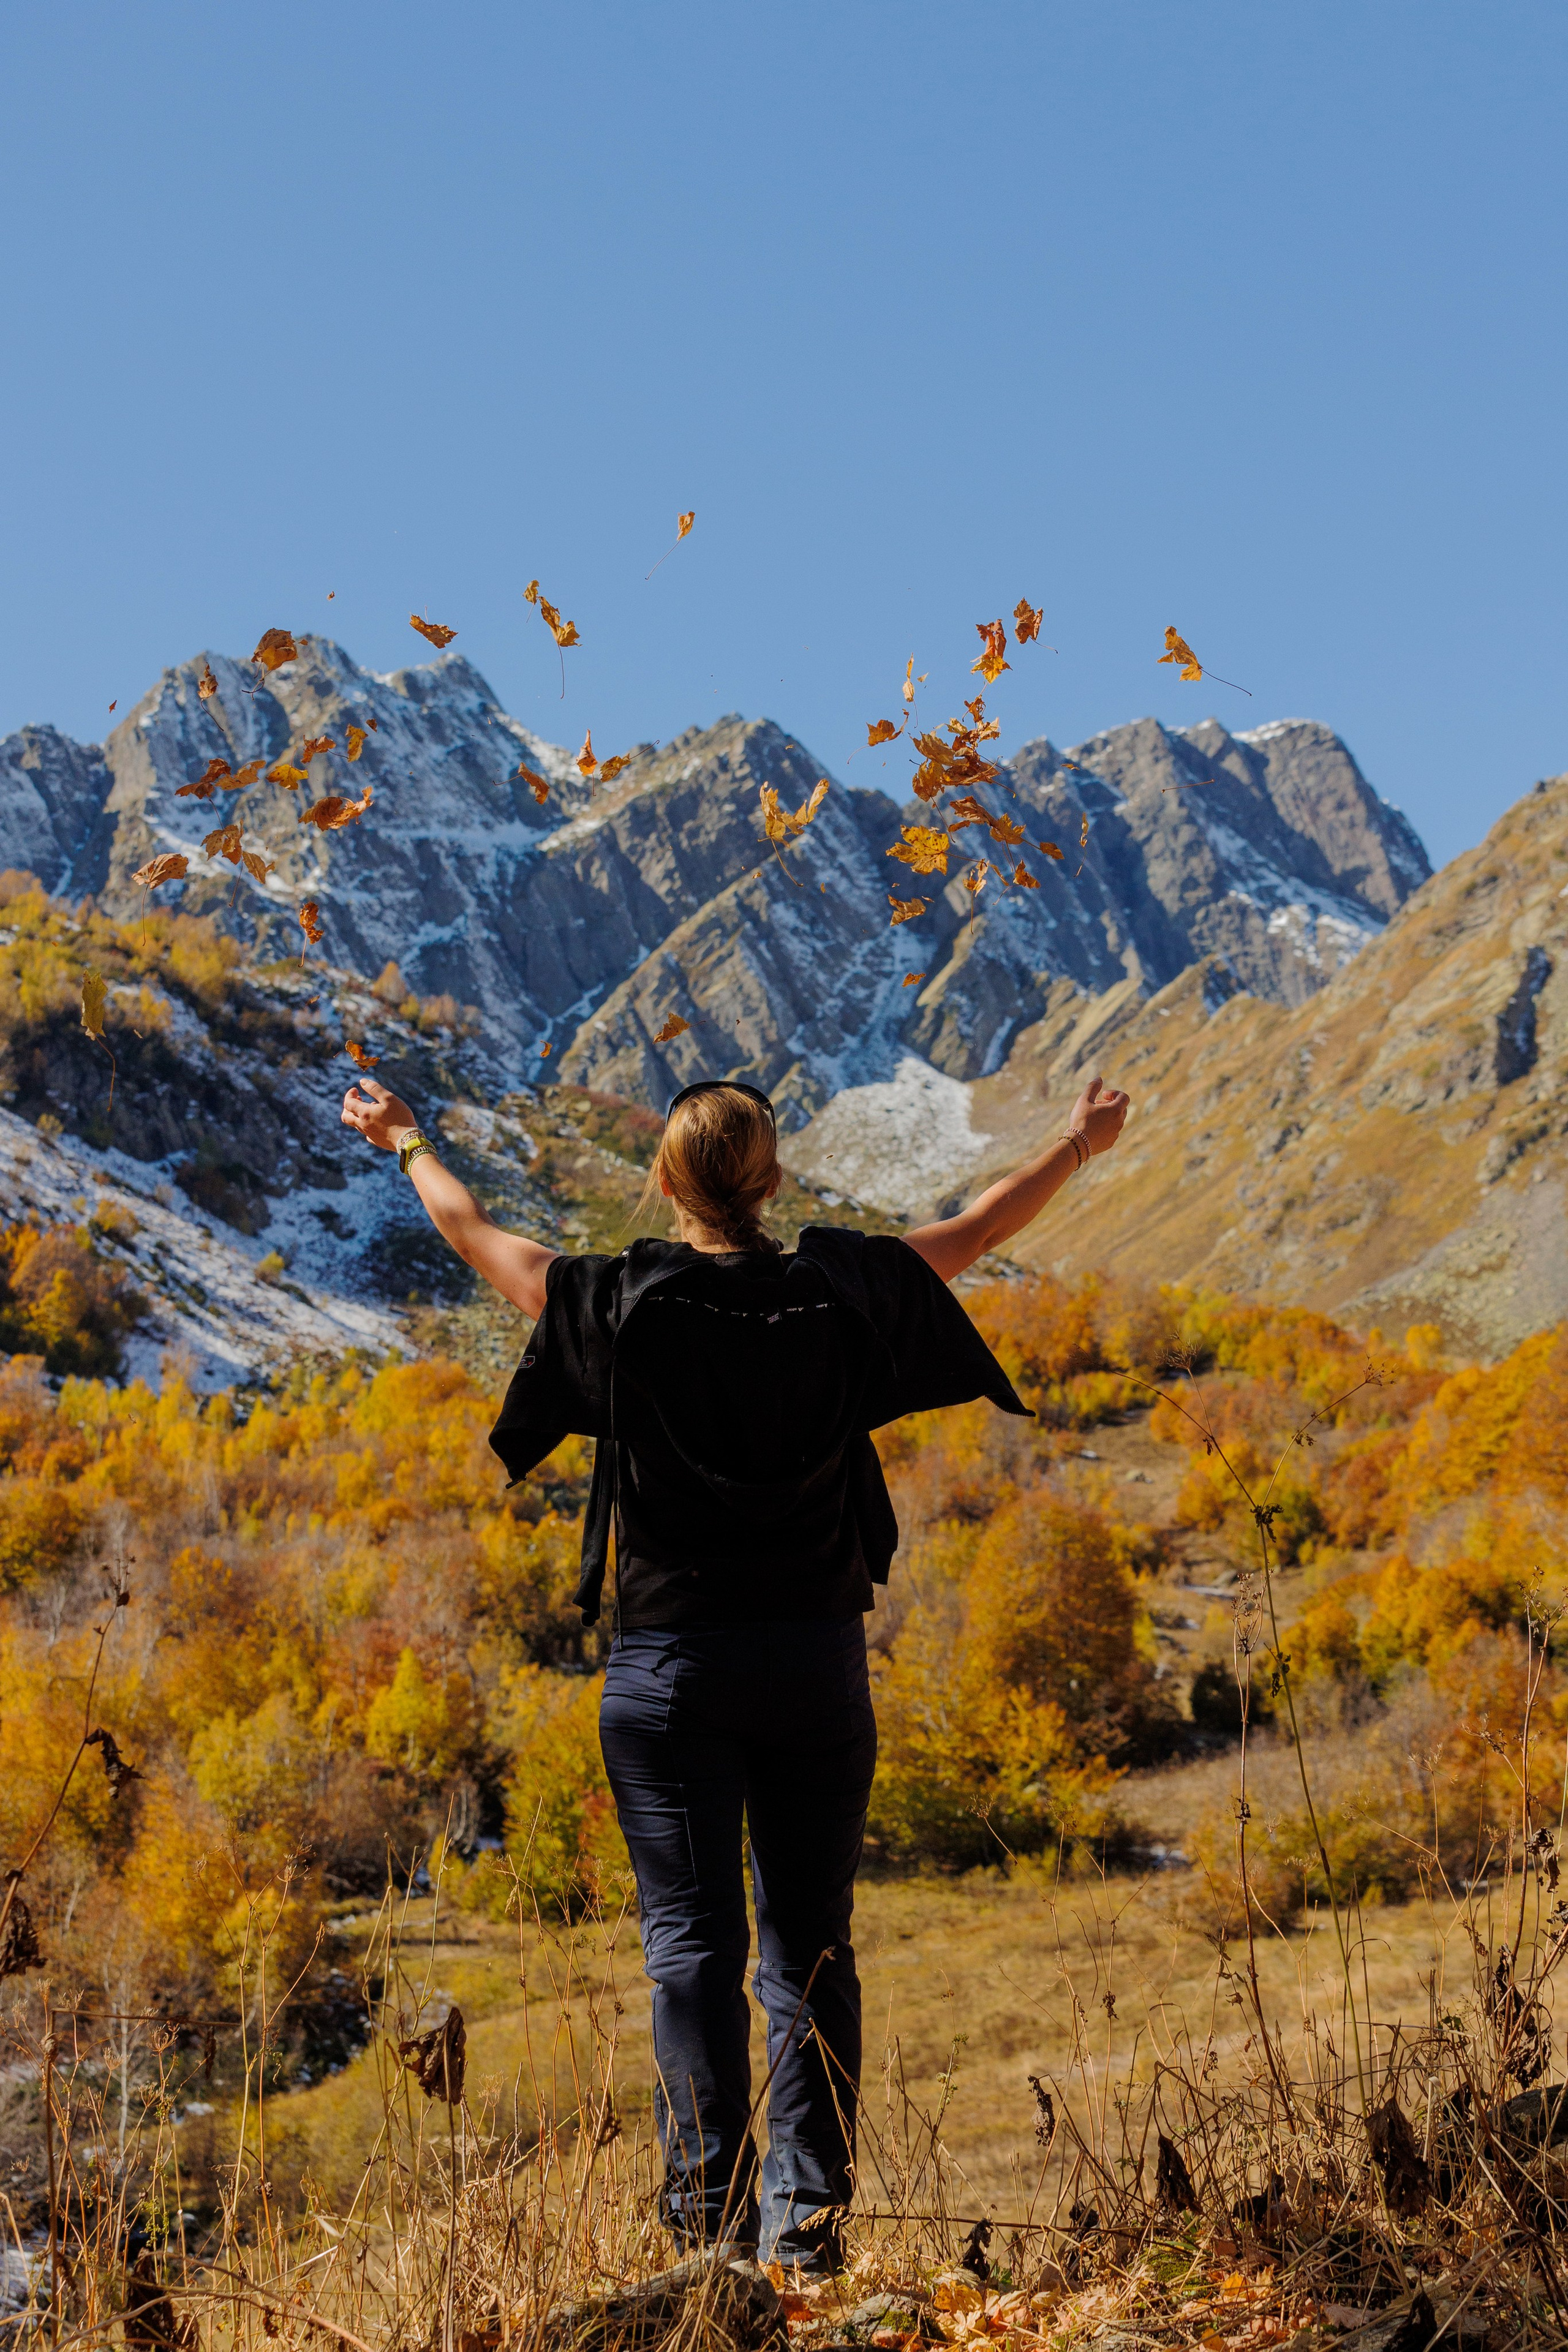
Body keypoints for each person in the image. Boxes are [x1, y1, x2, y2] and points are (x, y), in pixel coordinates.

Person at [341, 1066, 1129, 2266]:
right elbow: (976, 1228)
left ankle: (708, 2232)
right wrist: (1075, 1147)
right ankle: (805, 2231)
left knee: (690, 1950)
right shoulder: (842, 1288)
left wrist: (405, 1142)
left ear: (664, 1183)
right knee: (808, 1947)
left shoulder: (608, 1298)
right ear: (770, 1182)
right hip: (814, 1665)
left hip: (670, 1675)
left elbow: (469, 1230)